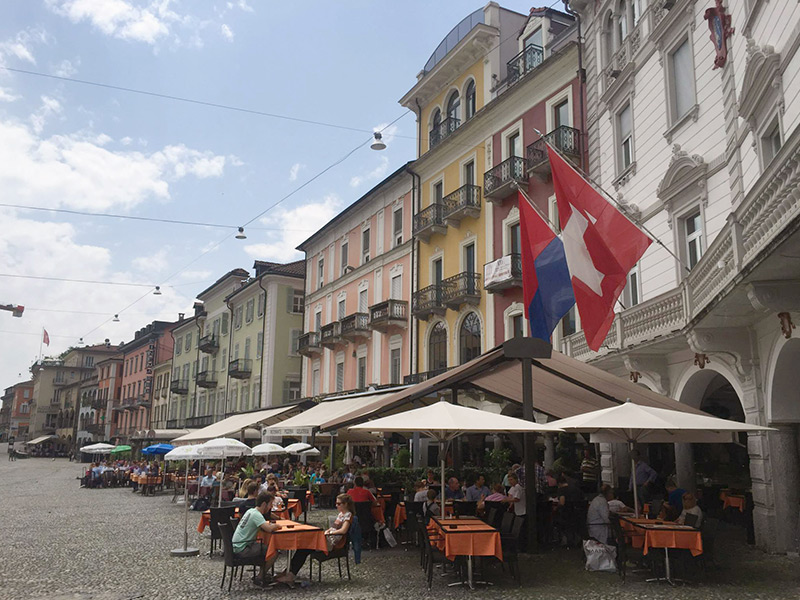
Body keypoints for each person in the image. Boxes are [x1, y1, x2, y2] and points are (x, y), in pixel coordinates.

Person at [276, 494, 353, 586]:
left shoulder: (348, 515)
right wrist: (328, 531)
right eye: (336, 503)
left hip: (333, 543)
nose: (336, 505)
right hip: (328, 539)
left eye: (339, 504)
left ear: (346, 504)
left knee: (305, 548)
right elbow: (334, 528)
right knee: (304, 546)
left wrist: (329, 533)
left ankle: (290, 574)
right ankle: (289, 572)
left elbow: (343, 530)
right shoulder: (341, 514)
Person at [232, 492, 281, 586]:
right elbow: (269, 529)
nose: (270, 507)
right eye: (270, 504)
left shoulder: (250, 511)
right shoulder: (257, 515)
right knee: (273, 551)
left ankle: (262, 574)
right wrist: (277, 525)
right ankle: (260, 577)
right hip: (243, 547)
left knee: (266, 548)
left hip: (237, 545)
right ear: (264, 504)